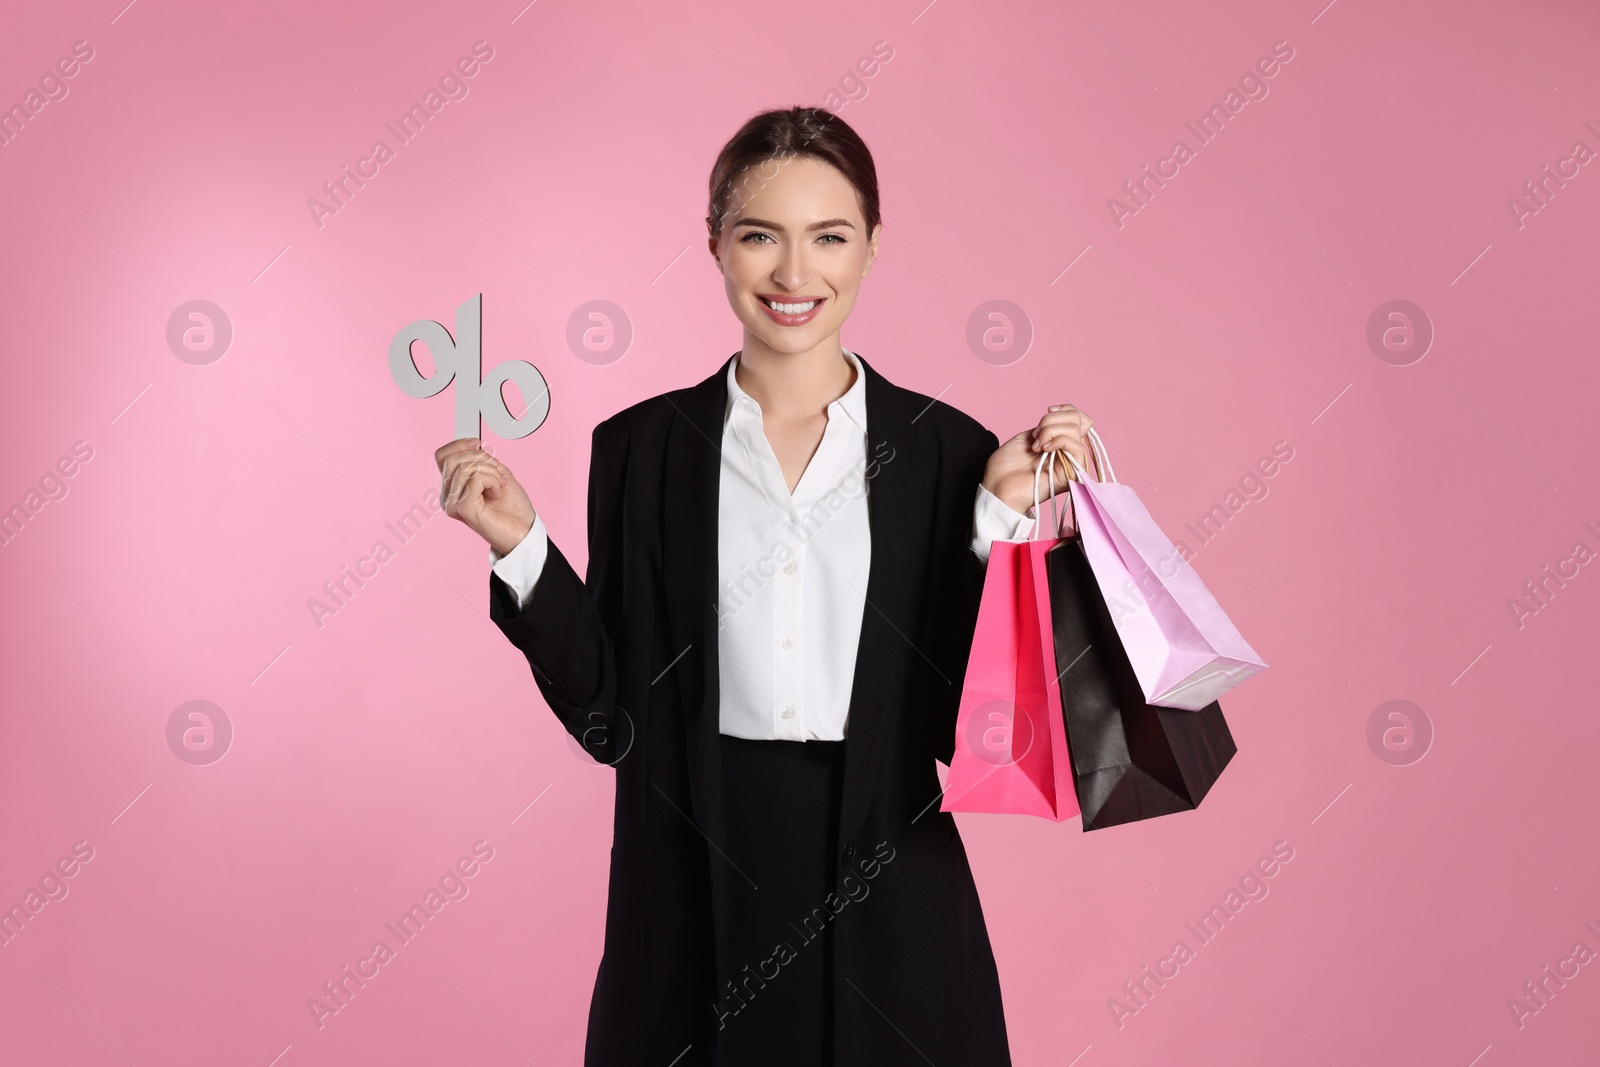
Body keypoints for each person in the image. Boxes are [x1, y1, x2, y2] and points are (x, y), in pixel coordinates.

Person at [435, 106, 1098, 1066]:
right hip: (698, 874)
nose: (795, 275)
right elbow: (610, 719)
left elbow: (966, 726)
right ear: (714, 245)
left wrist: (996, 524)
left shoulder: (947, 450)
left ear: (872, 247)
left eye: (829, 237)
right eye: (760, 236)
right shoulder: (642, 449)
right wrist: (522, 548)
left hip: (890, 873)